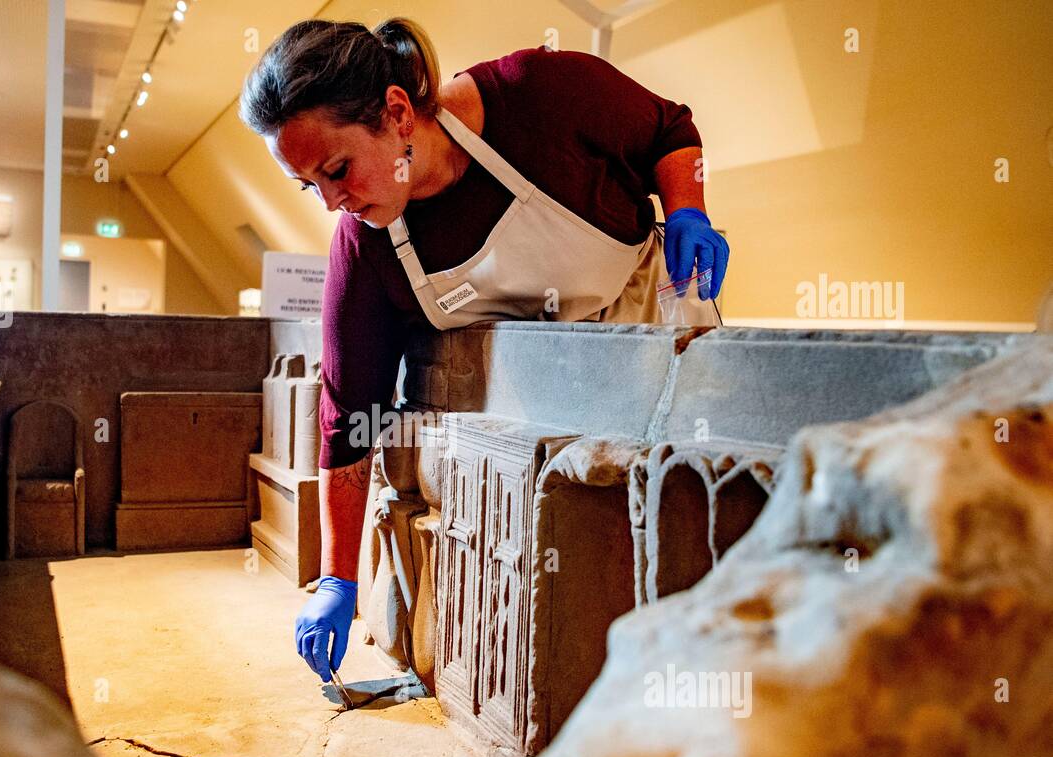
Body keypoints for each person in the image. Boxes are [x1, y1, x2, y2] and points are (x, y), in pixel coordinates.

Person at [239, 17, 729, 683]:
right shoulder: (368, 246)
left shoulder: (540, 93)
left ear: (396, 112)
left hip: (641, 322)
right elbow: (349, 420)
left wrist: (690, 206)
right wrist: (338, 579)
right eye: (310, 186)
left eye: (337, 170)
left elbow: (670, 130)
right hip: (528, 397)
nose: (331, 203)